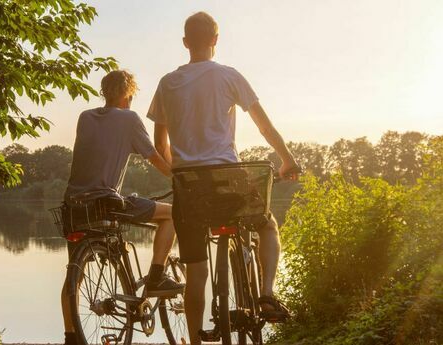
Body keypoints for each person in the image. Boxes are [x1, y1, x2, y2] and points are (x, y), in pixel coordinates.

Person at [147, 12, 300, 345]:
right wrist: (288, 159)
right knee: (267, 224)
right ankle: (266, 294)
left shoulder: (167, 83)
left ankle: (194, 340)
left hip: (189, 188)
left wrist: (179, 174)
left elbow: (160, 145)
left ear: (186, 43)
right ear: (216, 39)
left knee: (196, 271)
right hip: (228, 180)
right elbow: (264, 127)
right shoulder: (230, 77)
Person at [60, 70, 184, 345]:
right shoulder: (129, 118)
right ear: (128, 95)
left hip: (75, 206)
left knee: (74, 274)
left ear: (104, 92)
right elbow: (154, 157)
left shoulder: (85, 117)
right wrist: (180, 179)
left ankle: (70, 336)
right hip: (106, 202)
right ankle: (156, 276)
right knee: (174, 214)